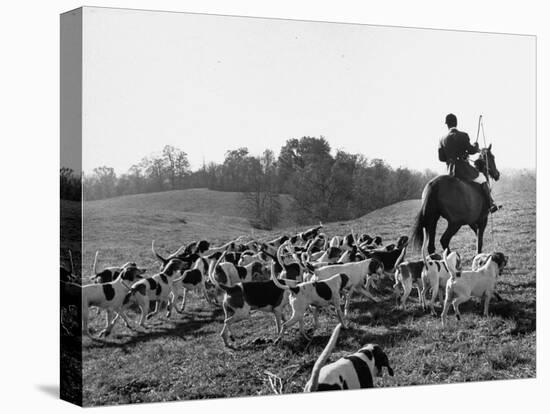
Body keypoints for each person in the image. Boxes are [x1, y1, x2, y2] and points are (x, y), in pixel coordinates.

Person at [438, 113, 498, 213]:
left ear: (447, 124)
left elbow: (441, 158)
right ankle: (490, 204)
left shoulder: (442, 139)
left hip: (448, 171)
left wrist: (450, 159)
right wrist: (475, 146)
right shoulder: (463, 135)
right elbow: (472, 150)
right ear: (456, 123)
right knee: (482, 179)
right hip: (463, 169)